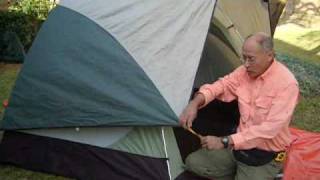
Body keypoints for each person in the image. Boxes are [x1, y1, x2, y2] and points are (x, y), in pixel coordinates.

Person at [179, 32, 299, 180]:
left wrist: (224, 141)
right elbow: (221, 86)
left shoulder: (287, 84)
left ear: (269, 55)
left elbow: (269, 130)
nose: (246, 64)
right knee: (194, 163)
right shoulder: (244, 72)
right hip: (238, 147)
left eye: (251, 59)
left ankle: (273, 173)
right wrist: (195, 103)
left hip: (264, 155)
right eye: (244, 57)